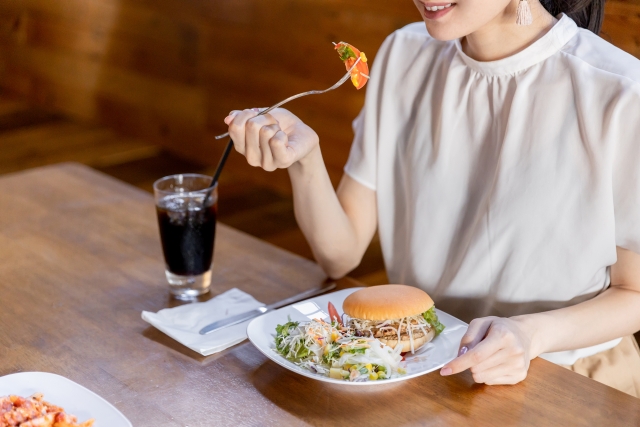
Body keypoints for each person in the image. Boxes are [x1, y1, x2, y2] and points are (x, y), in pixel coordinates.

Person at [224, 0, 640, 396]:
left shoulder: (620, 92)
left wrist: (530, 334)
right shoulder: (404, 54)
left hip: (567, 378)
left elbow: (634, 294)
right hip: (421, 366)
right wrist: (305, 160)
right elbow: (341, 255)